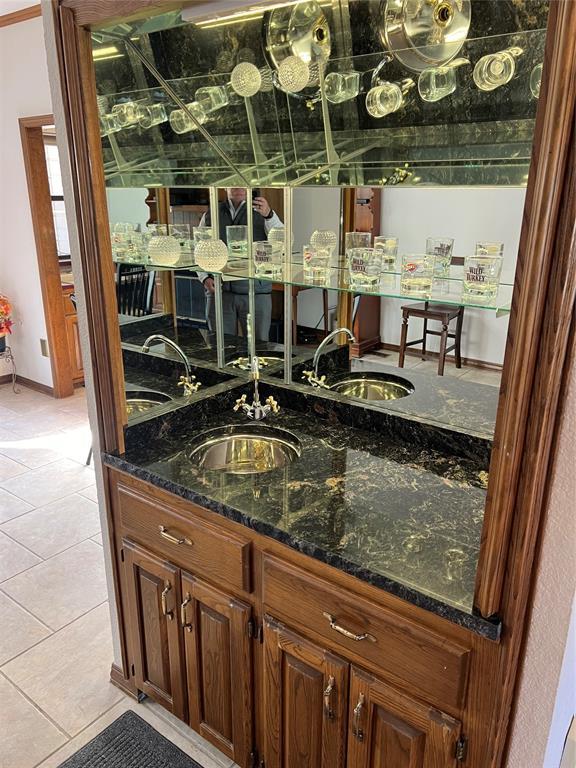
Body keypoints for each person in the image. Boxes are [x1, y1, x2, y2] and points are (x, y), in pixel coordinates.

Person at [197, 188, 283, 341]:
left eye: (243, 183)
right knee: (220, 345)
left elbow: (282, 242)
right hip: (220, 291)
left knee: (258, 347)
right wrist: (204, 278)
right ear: (224, 186)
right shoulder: (211, 214)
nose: (238, 188)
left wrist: (269, 215)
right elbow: (199, 248)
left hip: (256, 292)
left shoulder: (265, 213)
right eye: (233, 184)